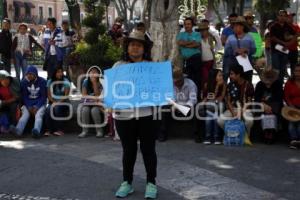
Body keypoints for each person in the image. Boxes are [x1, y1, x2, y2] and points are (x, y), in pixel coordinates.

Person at [113, 31, 158, 199]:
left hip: (147, 114)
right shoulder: (118, 66)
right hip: (124, 115)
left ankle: (151, 183)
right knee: (128, 150)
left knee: (148, 150)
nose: (135, 48)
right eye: (132, 44)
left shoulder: (152, 67)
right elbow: (111, 89)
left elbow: (158, 89)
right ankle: (127, 182)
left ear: (144, 49)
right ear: (127, 47)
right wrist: (110, 104)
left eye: (139, 45)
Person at [158, 66, 198, 142]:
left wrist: (183, 107)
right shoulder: (170, 85)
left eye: (178, 81)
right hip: (175, 105)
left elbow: (193, 100)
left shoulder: (191, 84)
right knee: (163, 109)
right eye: (174, 82)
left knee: (196, 110)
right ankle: (163, 133)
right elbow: (170, 98)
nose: (176, 83)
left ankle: (197, 134)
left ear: (182, 79)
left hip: (187, 106)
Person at [217, 64, 254, 137]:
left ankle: (245, 137)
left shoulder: (248, 85)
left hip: (245, 109)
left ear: (238, 74)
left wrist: (241, 112)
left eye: (232, 74)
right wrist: (233, 113)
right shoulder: (230, 85)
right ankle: (232, 134)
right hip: (233, 109)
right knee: (220, 121)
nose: (230, 76)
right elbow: (228, 101)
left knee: (249, 121)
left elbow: (249, 101)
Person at [10, 66, 47, 138]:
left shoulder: (42, 81)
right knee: (25, 115)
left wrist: (37, 106)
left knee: (38, 115)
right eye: (27, 74)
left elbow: (43, 96)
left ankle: (36, 131)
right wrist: (29, 106)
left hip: (39, 103)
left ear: (35, 74)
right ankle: (18, 131)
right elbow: (24, 96)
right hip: (28, 104)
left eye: (31, 74)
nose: (29, 76)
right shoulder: (24, 82)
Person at [254, 69, 283, 144]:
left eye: (270, 77)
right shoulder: (259, 84)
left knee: (272, 115)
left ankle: (271, 133)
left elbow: (279, 98)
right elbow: (257, 98)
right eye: (267, 77)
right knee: (262, 113)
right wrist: (264, 105)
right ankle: (265, 133)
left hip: (274, 106)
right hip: (262, 105)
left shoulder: (278, 84)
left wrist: (270, 107)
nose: (268, 79)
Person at [224, 16, 256, 83]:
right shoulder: (230, 37)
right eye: (234, 26)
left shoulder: (250, 37)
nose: (234, 28)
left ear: (242, 27)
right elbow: (226, 51)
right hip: (234, 65)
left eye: (236, 26)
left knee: (247, 82)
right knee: (234, 83)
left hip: (246, 64)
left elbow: (254, 49)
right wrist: (235, 51)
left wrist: (246, 50)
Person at [177, 17, 202, 94]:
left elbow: (197, 44)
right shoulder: (181, 34)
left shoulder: (197, 34)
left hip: (195, 58)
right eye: (185, 24)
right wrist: (191, 43)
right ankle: (189, 95)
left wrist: (185, 44)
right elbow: (179, 43)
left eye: (189, 24)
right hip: (186, 60)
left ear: (192, 25)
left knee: (197, 78)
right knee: (188, 78)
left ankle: (197, 97)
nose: (187, 26)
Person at [270, 10, 296, 84]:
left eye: (284, 16)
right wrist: (284, 43)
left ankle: (280, 87)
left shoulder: (288, 26)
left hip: (284, 51)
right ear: (278, 16)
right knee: (276, 70)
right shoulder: (273, 26)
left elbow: (295, 35)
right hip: (275, 51)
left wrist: (289, 43)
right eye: (281, 15)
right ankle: (275, 86)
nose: (282, 17)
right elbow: (273, 38)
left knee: (282, 70)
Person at [78, 66, 105, 138]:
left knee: (94, 110)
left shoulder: (101, 82)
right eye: (91, 72)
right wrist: (93, 98)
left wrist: (95, 83)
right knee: (85, 110)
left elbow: (99, 95)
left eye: (95, 72)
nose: (93, 74)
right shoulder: (86, 81)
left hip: (98, 104)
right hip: (88, 103)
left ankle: (99, 131)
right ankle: (84, 131)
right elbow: (84, 95)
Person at [202, 69, 226, 145]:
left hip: (219, 106)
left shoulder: (223, 84)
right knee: (208, 119)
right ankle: (208, 137)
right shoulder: (207, 85)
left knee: (216, 118)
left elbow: (221, 97)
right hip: (210, 106)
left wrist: (218, 86)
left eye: (222, 75)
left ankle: (217, 137)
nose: (222, 77)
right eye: (219, 75)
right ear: (213, 76)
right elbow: (205, 97)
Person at [44, 67, 71, 136]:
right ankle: (49, 130)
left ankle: (60, 130)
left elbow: (66, 96)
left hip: (64, 102)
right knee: (48, 109)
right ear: (54, 73)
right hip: (53, 101)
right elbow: (49, 96)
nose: (60, 74)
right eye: (58, 72)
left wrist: (58, 103)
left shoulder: (66, 81)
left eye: (61, 72)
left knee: (57, 108)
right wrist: (54, 102)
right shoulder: (50, 81)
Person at [283, 64, 300, 149]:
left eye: (299, 71)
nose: (297, 73)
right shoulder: (289, 83)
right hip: (292, 107)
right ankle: (293, 140)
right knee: (292, 121)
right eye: (296, 71)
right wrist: (291, 106)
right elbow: (286, 96)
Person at [198, 23, 216, 89]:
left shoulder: (210, 38)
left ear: (207, 30)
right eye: (201, 30)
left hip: (211, 61)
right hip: (203, 62)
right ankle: (205, 93)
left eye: (204, 30)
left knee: (212, 78)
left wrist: (214, 62)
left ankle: (211, 93)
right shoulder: (199, 40)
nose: (202, 32)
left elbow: (213, 50)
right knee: (205, 78)